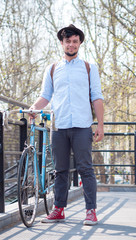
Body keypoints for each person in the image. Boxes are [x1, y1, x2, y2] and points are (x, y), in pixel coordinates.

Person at [29, 24, 104, 226]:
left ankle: (90, 211)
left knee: (85, 169)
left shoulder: (89, 68)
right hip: (59, 127)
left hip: (82, 126)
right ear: (62, 43)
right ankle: (59, 210)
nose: (71, 45)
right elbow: (45, 96)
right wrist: (33, 109)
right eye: (67, 41)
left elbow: (97, 97)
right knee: (60, 170)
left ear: (79, 43)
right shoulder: (52, 69)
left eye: (75, 41)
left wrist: (101, 125)